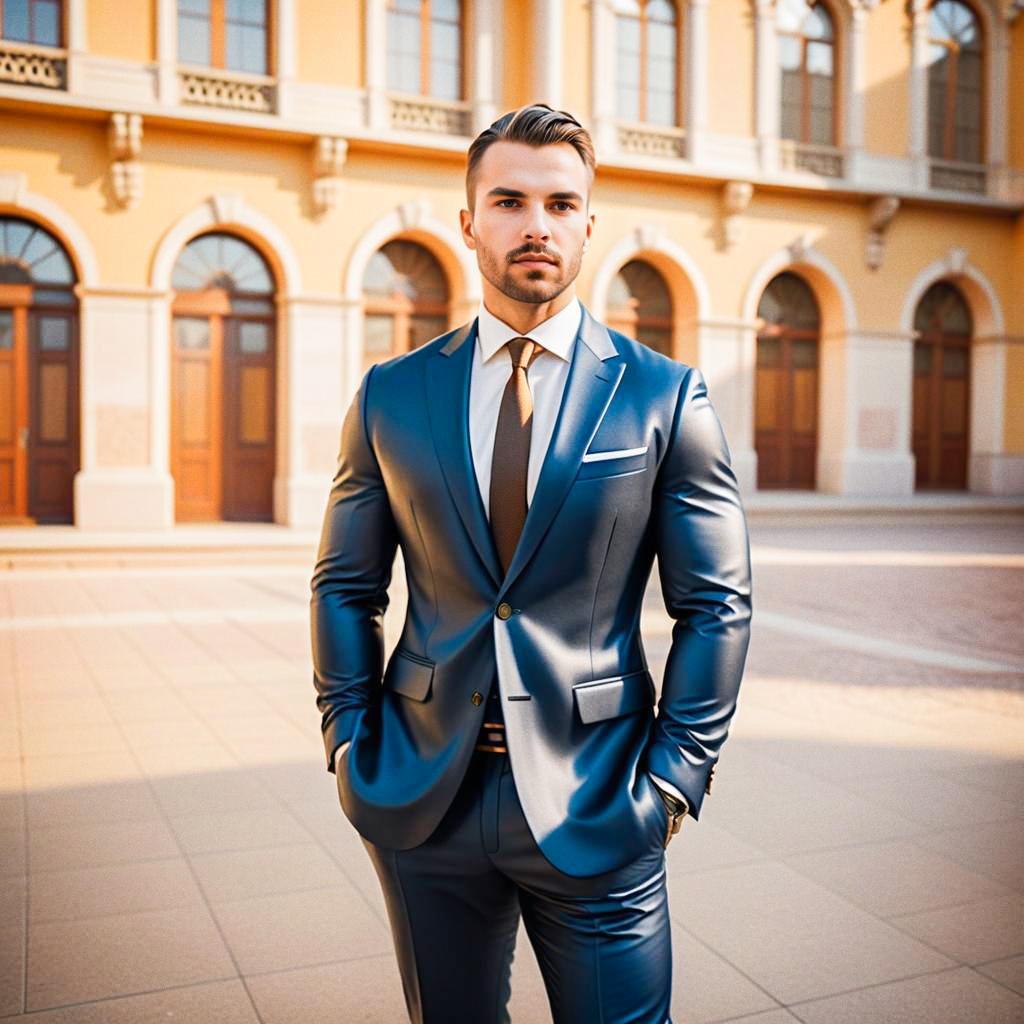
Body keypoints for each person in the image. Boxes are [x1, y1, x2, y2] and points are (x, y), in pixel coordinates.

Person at [311, 104, 752, 1024]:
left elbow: (717, 604)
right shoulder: (392, 394)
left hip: (602, 797)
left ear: (590, 224)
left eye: (561, 203)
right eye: (509, 200)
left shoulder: (664, 395)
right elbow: (346, 586)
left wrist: (676, 777)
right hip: (423, 795)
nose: (536, 225)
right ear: (469, 221)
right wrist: (349, 740)